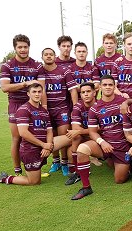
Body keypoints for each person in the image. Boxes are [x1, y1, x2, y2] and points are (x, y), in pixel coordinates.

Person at [0, 83, 71, 185]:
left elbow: (49, 131)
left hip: (45, 146)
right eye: (34, 92)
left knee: (72, 138)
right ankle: (4, 178)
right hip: (30, 150)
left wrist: (48, 146)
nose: (37, 94)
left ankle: (73, 171)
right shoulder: (23, 110)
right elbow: (23, 133)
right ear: (28, 94)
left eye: (39, 92)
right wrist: (43, 145)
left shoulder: (44, 111)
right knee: (34, 181)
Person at [71, 75, 131, 200]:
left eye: (110, 84)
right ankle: (86, 187)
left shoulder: (121, 100)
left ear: (114, 86)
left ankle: (127, 165)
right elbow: (92, 132)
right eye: (105, 85)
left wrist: (127, 102)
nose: (108, 87)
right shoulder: (95, 108)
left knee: (119, 179)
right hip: (105, 145)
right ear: (100, 87)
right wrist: (102, 142)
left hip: (122, 146)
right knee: (82, 149)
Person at [0, 34, 44, 176]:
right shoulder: (7, 66)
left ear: (29, 47)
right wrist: (25, 84)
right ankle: (17, 170)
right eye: (20, 47)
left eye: (25, 47)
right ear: (15, 48)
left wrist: (44, 107)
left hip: (33, 105)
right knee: (17, 138)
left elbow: (41, 88)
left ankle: (34, 168)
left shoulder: (37, 65)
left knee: (34, 136)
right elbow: (5, 87)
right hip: (16, 104)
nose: (23, 49)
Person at [41, 48, 78, 176]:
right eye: (46, 55)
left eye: (51, 54)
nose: (49, 56)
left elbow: (73, 90)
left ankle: (64, 163)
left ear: (55, 56)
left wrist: (74, 108)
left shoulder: (64, 71)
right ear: (42, 57)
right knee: (50, 136)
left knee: (64, 137)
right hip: (46, 110)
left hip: (62, 108)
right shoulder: (40, 72)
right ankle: (55, 161)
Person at [65, 82, 97, 185]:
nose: (86, 94)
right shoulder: (78, 106)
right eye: (83, 92)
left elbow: (101, 129)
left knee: (114, 167)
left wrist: (80, 131)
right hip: (83, 136)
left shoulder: (100, 105)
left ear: (94, 93)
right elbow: (75, 129)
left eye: (88, 91)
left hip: (97, 138)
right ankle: (77, 172)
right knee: (74, 137)